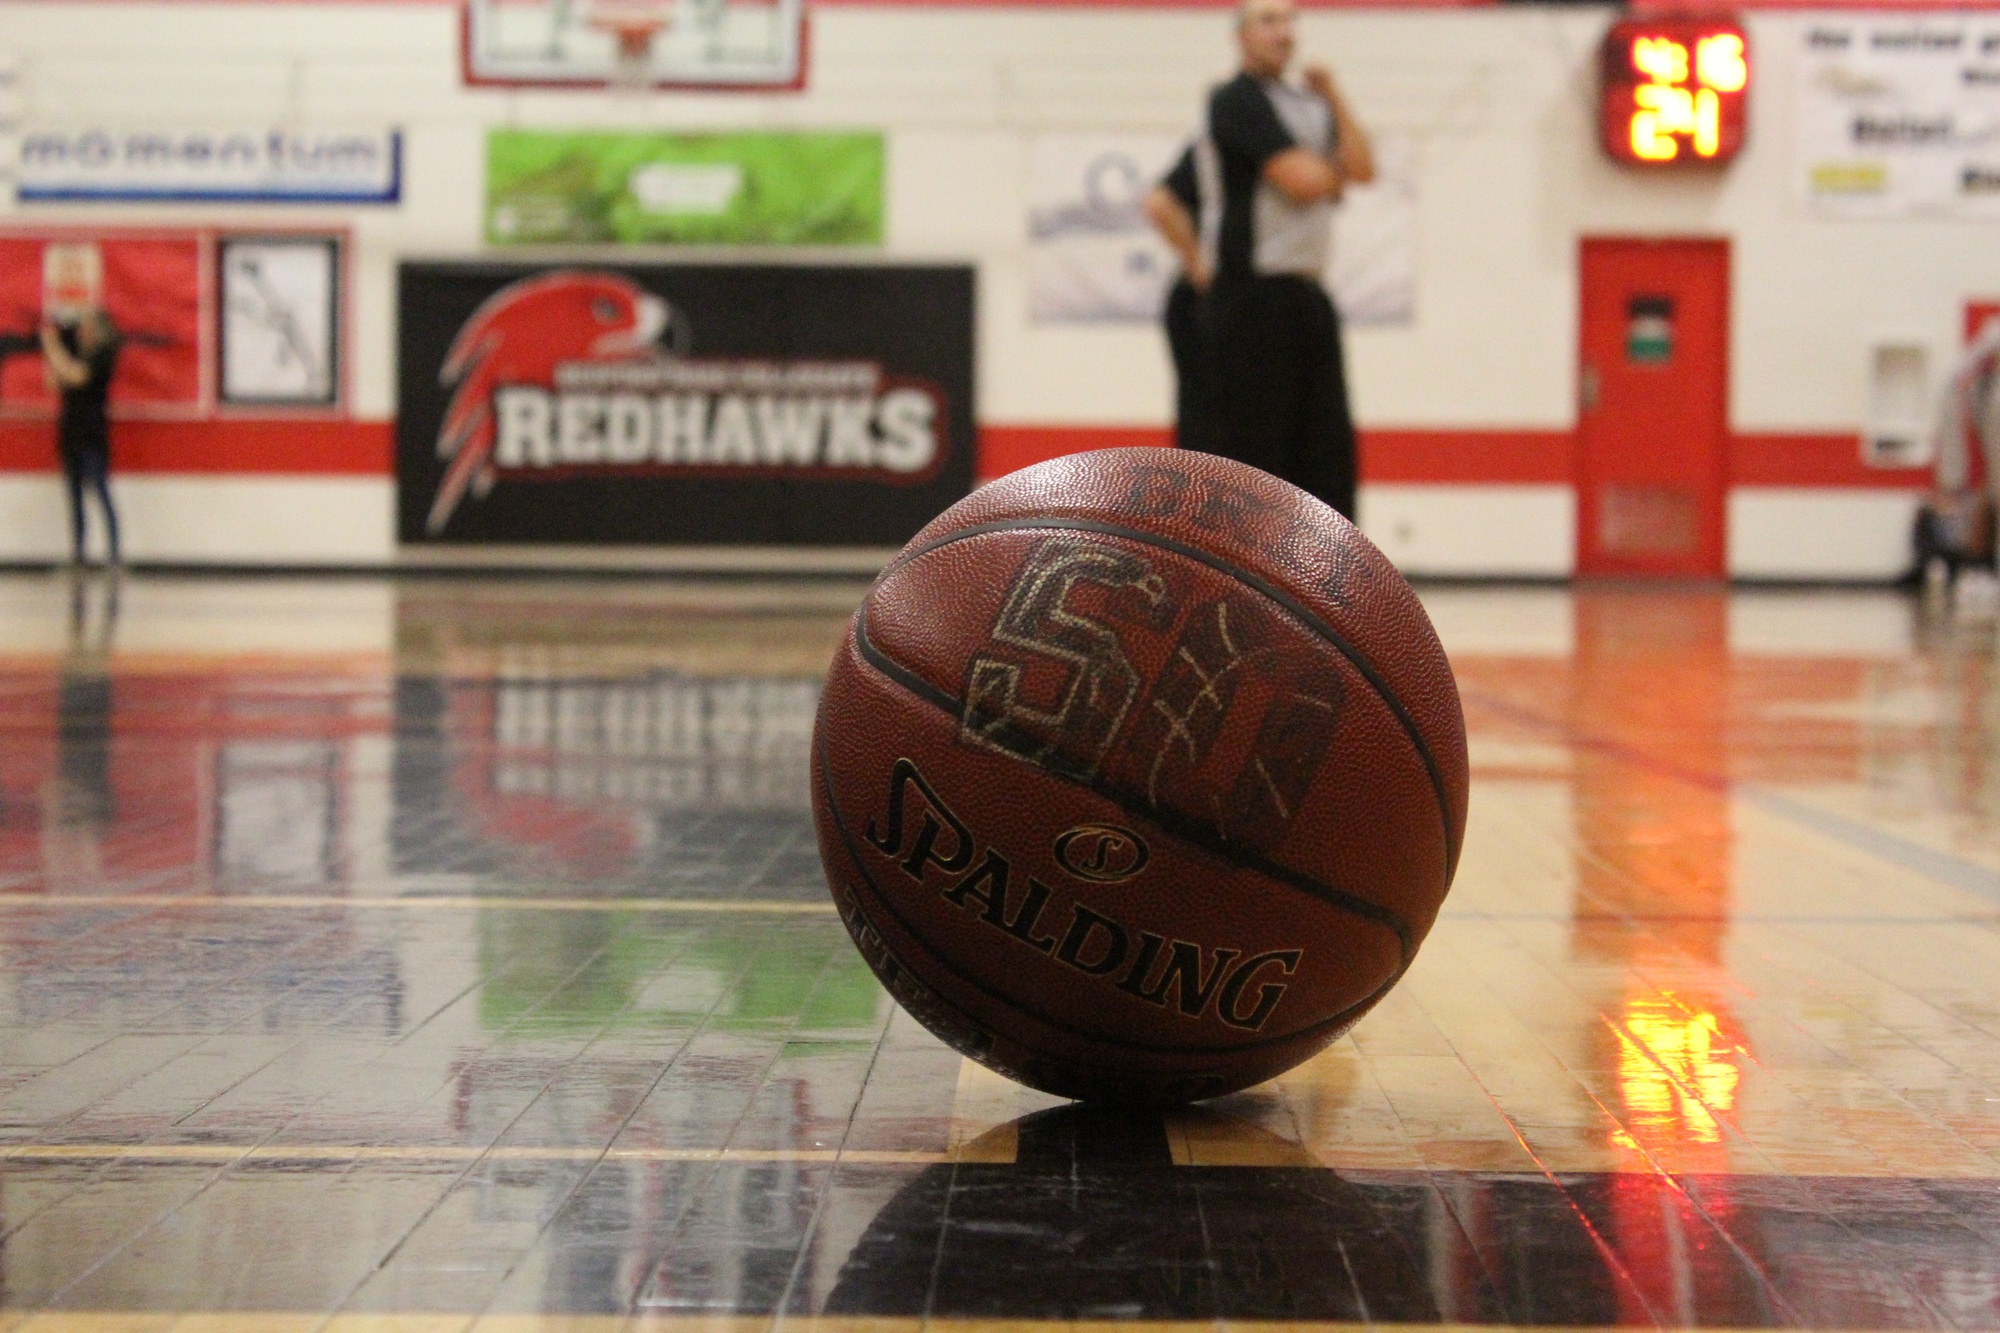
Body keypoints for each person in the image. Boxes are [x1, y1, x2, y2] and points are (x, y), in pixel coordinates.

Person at [1150, 0, 1375, 518]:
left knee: (1324, 448)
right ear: (1242, 35)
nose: (1283, 32)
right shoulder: (1234, 100)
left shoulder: (1310, 105)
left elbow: (1363, 168)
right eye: (1268, 21)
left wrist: (1335, 96)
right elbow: (1302, 182)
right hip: (1252, 297)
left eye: (1290, 20)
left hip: (1305, 292)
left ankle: (1321, 557)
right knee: (1251, 454)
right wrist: (1197, 263)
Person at [1145, 144, 1217, 454]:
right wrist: (1197, 263)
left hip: (1210, 296)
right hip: (1205, 300)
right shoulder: (1223, 145)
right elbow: (1159, 203)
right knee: (1207, 413)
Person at [39, 305, 121, 567]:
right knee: (74, 499)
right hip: (70, 431)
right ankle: (78, 555)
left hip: (92, 434)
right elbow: (54, 382)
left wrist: (52, 345)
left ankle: (113, 555)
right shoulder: (75, 351)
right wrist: (54, 351)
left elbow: (76, 376)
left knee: (100, 492)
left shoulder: (103, 355)